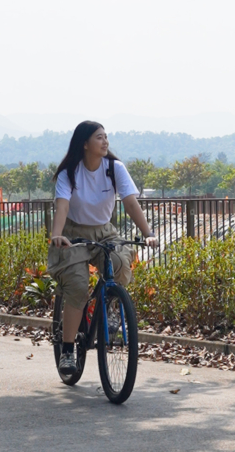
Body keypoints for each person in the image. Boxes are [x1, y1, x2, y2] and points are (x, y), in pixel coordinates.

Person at [48, 121, 159, 375]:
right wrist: (57, 235)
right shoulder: (70, 173)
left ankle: (109, 310)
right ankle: (67, 351)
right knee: (77, 285)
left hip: (104, 230)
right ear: (85, 144)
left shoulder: (114, 168)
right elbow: (62, 206)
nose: (105, 141)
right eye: (99, 137)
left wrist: (148, 234)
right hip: (73, 233)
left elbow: (130, 204)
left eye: (106, 137)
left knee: (119, 264)